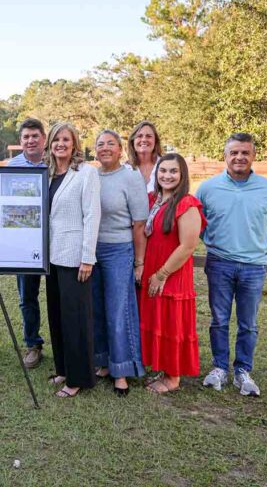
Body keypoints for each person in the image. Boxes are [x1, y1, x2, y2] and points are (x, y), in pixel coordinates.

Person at [197, 132, 267, 397]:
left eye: (245, 152)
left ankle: (243, 370)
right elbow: (198, 224)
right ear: (225, 156)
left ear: (253, 156)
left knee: (248, 322)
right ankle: (219, 368)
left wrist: (254, 245)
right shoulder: (208, 188)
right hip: (219, 262)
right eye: (234, 152)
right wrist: (215, 242)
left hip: (253, 266)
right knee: (219, 319)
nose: (239, 157)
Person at [139, 153, 206, 393]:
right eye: (163, 171)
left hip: (171, 272)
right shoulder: (152, 200)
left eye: (173, 171)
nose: (167, 175)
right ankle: (160, 367)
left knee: (171, 322)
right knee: (157, 319)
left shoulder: (186, 204)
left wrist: (162, 273)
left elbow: (188, 245)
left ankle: (172, 377)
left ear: (182, 175)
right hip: (151, 270)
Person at [45, 122, 101, 398]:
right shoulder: (48, 174)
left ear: (74, 144)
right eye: (56, 139)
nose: (61, 144)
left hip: (74, 256)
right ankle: (63, 369)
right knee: (56, 315)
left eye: (66, 139)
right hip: (51, 256)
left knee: (75, 320)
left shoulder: (86, 173)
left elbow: (92, 215)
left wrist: (87, 257)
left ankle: (78, 379)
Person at [92, 129, 149, 396]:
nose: (105, 148)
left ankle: (122, 370)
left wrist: (139, 262)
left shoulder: (130, 177)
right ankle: (103, 362)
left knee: (118, 312)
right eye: (100, 144)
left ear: (120, 149)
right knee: (97, 310)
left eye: (110, 144)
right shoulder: (90, 176)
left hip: (119, 251)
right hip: (91, 251)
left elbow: (139, 223)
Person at [7, 117, 47, 368]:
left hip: (56, 240)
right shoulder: (12, 166)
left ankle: (66, 344)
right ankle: (33, 344)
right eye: (26, 137)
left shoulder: (55, 163)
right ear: (21, 141)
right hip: (25, 241)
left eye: (35, 136)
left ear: (43, 138)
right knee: (27, 296)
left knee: (60, 296)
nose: (30, 141)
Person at [126, 121, 164, 193]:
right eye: (139, 136)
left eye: (149, 136)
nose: (144, 140)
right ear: (132, 141)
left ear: (155, 141)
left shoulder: (165, 165)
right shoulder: (124, 169)